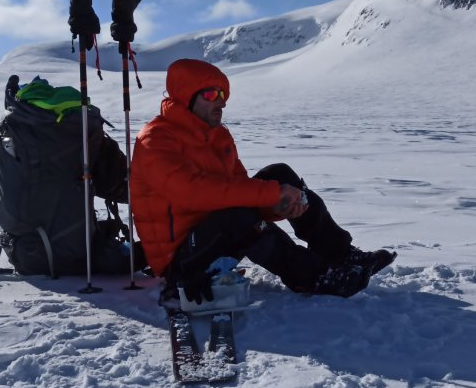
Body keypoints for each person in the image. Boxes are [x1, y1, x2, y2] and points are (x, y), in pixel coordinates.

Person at [130, 58, 395, 304]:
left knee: (279, 174)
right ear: (186, 98)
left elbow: (240, 190)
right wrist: (270, 194)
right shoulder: (155, 139)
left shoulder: (219, 137)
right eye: (211, 95)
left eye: (223, 95)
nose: (221, 103)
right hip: (181, 259)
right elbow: (192, 192)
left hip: (220, 236)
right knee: (237, 213)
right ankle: (313, 276)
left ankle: (341, 254)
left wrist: (278, 205)